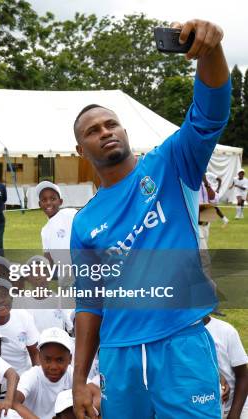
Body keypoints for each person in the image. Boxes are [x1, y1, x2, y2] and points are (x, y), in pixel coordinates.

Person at [70, 19, 230, 419]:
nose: (105, 132)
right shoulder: (83, 222)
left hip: (180, 345)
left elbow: (209, 114)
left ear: (124, 130)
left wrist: (209, 51)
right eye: (93, 130)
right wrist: (78, 379)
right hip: (118, 356)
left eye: (111, 123)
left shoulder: (171, 163)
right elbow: (89, 303)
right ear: (80, 149)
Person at [203, 315, 248, 418]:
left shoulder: (226, 331)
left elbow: (242, 375)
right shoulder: (180, 334)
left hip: (234, 406)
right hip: (205, 409)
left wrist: (234, 414)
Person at [37, 181, 76, 288]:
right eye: (44, 200)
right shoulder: (45, 230)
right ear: (40, 204)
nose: (48, 203)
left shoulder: (69, 214)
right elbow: (48, 257)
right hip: (65, 279)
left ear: (61, 201)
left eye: (53, 199)